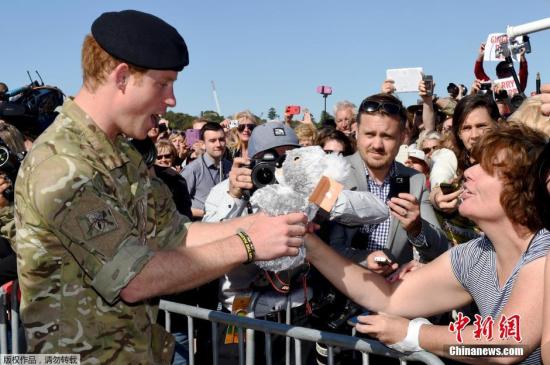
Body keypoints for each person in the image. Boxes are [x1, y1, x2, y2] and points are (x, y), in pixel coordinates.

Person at [13, 10, 309, 364]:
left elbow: (177, 236)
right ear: (122, 77)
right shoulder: (63, 165)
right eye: (163, 83)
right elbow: (134, 279)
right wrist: (248, 244)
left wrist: (263, 228)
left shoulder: (120, 153)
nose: (171, 100)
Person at [307, 123, 549, 364]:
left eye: (486, 168)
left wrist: (415, 335)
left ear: (523, 186)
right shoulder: (475, 255)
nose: (468, 172)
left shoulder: (545, 249)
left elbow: (506, 347)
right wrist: (308, 242)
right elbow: (389, 298)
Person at [329, 93, 448, 273]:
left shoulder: (415, 180)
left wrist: (417, 229)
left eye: (387, 136)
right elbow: (319, 243)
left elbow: (440, 248)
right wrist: (362, 261)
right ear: (357, 133)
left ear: (402, 137)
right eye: (369, 134)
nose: (377, 144)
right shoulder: (333, 174)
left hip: (394, 292)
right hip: (341, 293)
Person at [181, 122, 232, 220]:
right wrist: (207, 212)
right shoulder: (192, 170)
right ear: (203, 144)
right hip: (201, 228)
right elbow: (178, 206)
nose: (218, 144)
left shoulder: (229, 166)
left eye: (221, 139)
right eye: (212, 141)